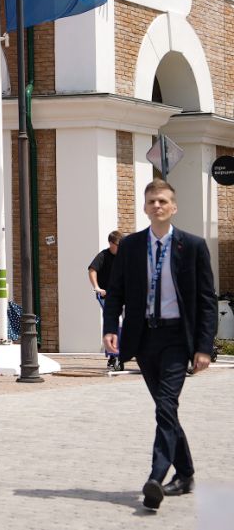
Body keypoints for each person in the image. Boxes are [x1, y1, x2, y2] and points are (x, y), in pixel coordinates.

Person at [104, 180, 217, 512]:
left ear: (174, 207)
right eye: (152, 201)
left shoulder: (193, 246)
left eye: (163, 201)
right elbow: (116, 290)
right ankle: (186, 474)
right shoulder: (131, 246)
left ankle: (156, 477)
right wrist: (110, 328)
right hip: (144, 338)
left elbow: (207, 300)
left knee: (166, 405)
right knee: (166, 408)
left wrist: (204, 347)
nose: (157, 206)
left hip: (177, 338)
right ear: (144, 207)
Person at [88, 230, 124, 370]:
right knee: (115, 321)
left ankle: (121, 352)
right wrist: (97, 287)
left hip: (123, 295)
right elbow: (92, 270)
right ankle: (114, 355)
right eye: (118, 245)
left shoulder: (124, 256)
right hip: (107, 296)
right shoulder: (103, 256)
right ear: (111, 243)